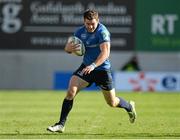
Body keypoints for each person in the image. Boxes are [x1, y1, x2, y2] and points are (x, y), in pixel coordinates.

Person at [47, 9, 137, 133]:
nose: (90, 27)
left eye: (92, 24)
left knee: (112, 102)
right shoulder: (79, 32)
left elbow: (105, 53)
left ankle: (129, 106)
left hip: (102, 70)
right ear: (84, 22)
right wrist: (67, 48)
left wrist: (94, 65)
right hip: (86, 67)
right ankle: (61, 124)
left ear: (98, 21)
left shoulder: (102, 32)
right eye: (87, 24)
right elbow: (71, 49)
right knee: (71, 91)